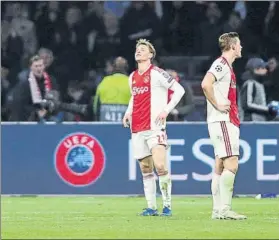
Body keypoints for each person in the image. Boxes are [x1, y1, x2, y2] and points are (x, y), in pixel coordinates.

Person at [122, 39, 185, 216]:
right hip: (137, 129)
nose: (139, 51)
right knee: (146, 169)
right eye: (137, 49)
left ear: (151, 54)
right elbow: (134, 98)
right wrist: (128, 112)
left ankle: (167, 206)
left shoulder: (157, 73)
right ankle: (151, 207)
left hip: (155, 128)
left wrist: (166, 110)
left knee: (160, 166)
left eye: (143, 49)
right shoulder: (132, 77)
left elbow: (179, 90)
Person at [201, 32, 247, 220]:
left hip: (222, 121)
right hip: (223, 120)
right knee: (232, 164)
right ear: (233, 46)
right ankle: (225, 209)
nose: (241, 47)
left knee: (220, 165)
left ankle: (217, 210)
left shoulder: (226, 66)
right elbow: (206, 84)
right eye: (239, 44)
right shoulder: (221, 64)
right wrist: (217, 105)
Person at [9, 55, 58, 121]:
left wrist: (47, 109)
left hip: (47, 115)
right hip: (28, 117)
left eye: (40, 66)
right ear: (31, 67)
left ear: (44, 66)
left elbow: (55, 99)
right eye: (36, 66)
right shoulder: (24, 84)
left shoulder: (51, 81)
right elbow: (21, 104)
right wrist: (36, 111)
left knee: (55, 120)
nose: (38, 68)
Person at [239, 57, 277, 121]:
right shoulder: (250, 83)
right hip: (250, 121)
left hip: (259, 121)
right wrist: (267, 109)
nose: (265, 70)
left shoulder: (259, 84)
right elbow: (247, 105)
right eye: (262, 68)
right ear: (255, 70)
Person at [93, 57, 131, 121]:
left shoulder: (104, 82)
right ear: (127, 68)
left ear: (113, 68)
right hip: (126, 128)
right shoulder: (132, 82)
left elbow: (96, 108)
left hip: (106, 126)